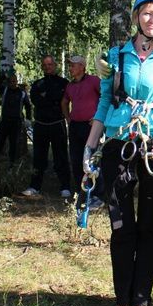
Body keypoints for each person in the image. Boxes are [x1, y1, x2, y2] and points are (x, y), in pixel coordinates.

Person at [84, 0, 153, 306]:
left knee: (149, 228)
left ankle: (141, 302)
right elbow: (104, 103)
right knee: (121, 226)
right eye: (147, 13)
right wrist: (89, 147)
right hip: (118, 146)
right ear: (137, 15)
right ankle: (121, 301)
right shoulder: (116, 55)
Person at [21, 55, 71, 198]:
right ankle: (34, 186)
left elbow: (63, 101)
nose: (48, 67)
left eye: (50, 64)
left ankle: (65, 186)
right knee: (38, 157)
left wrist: (49, 98)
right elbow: (37, 101)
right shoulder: (37, 84)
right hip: (41, 125)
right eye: (45, 65)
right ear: (42, 67)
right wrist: (53, 99)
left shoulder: (64, 83)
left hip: (58, 124)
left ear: (55, 65)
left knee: (61, 156)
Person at [62, 55, 101, 200]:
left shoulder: (94, 81)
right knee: (76, 159)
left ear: (82, 67)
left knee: (92, 159)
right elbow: (64, 102)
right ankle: (82, 192)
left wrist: (98, 117)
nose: (70, 68)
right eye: (70, 65)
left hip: (91, 127)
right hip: (75, 126)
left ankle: (96, 193)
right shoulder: (70, 85)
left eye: (73, 65)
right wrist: (68, 118)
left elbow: (106, 97)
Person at [0, 68, 32, 169]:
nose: (12, 83)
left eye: (14, 81)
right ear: (8, 82)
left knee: (14, 145)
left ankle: (12, 166)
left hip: (16, 122)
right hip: (4, 121)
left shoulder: (22, 93)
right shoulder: (4, 90)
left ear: (17, 82)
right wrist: (4, 75)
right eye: (10, 81)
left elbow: (28, 106)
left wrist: (28, 119)